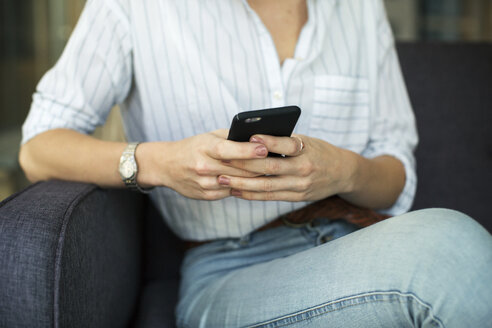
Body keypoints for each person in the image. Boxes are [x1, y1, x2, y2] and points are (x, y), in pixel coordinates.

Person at [19, 0, 492, 327]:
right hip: (230, 268)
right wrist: (158, 162)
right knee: (449, 245)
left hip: (361, 241)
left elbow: (395, 172)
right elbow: (38, 146)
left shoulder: (358, 8)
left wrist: (345, 170)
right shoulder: (136, 8)